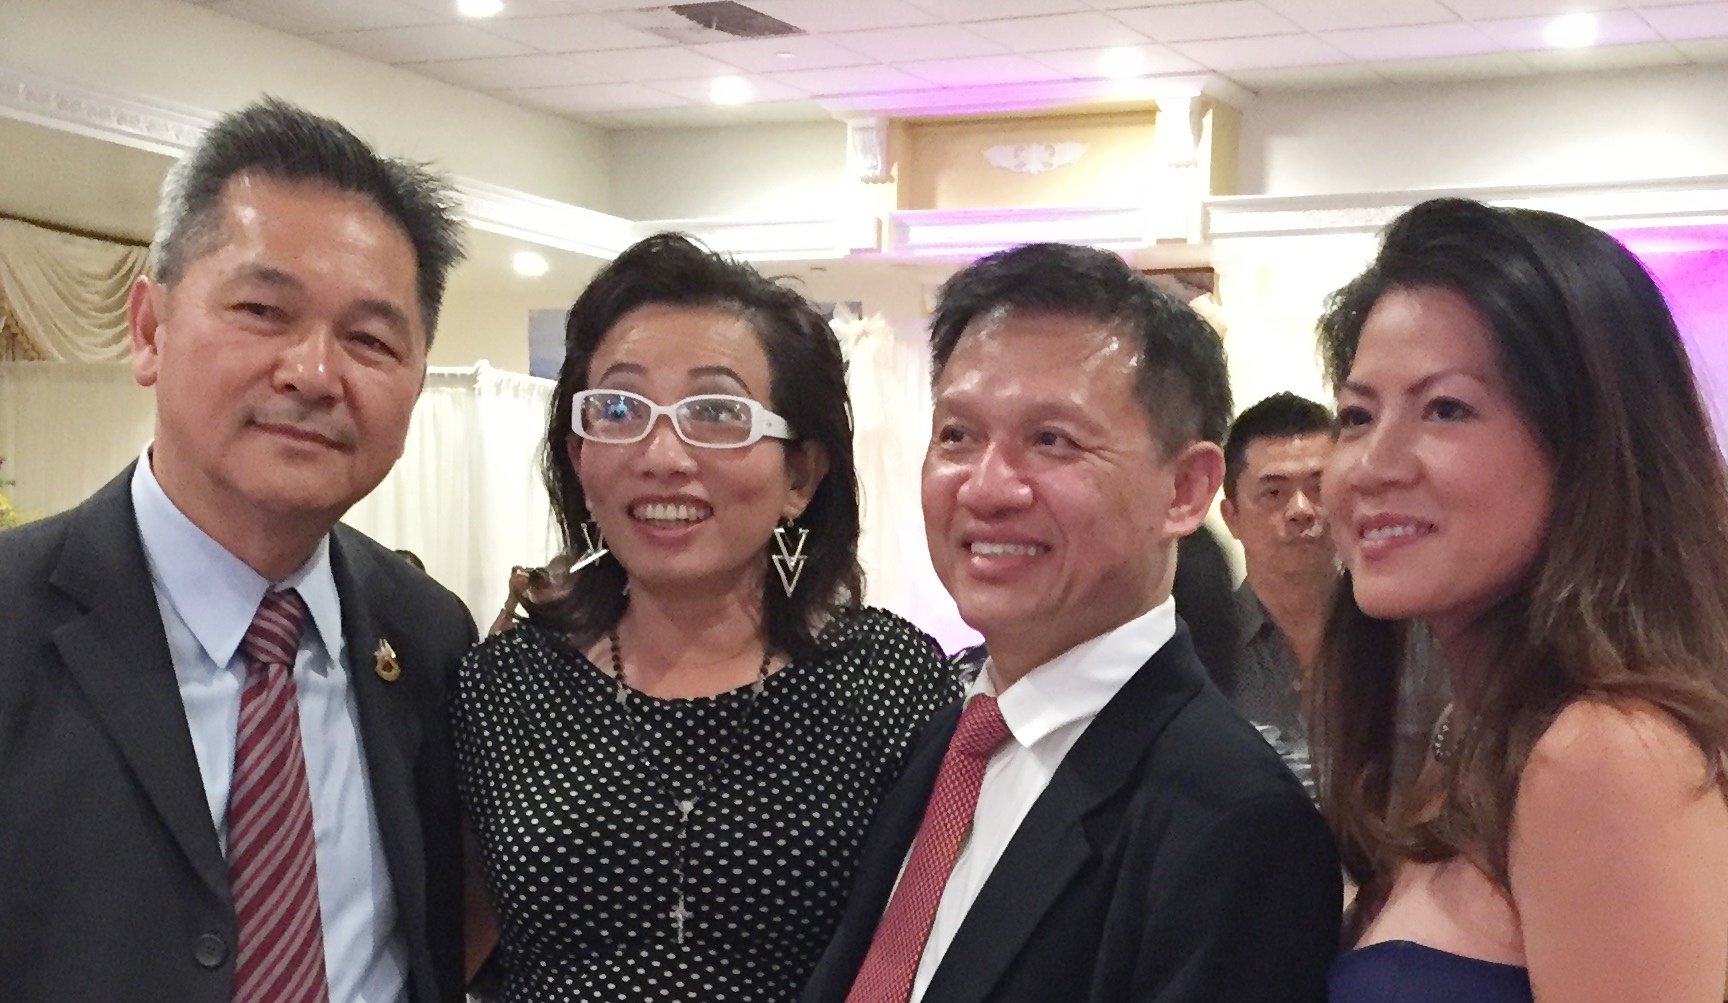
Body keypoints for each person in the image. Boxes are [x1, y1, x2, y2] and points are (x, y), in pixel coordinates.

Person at [0, 99, 473, 1003]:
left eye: (370, 339)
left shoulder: (427, 637)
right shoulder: (13, 619)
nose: (314, 373)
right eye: (263, 310)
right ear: (149, 329)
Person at [802, 242, 1340, 1003]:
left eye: (1051, 440)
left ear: (1186, 490)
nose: (986, 487)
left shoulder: (1234, 822)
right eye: (957, 435)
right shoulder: (951, 739)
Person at [453, 232, 959, 1002]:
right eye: (617, 408)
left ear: (800, 473)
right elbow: (443, 942)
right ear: (580, 460)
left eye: (716, 412)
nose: (662, 455)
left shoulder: (891, 683)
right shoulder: (503, 685)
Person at [1317, 198, 1728, 1002]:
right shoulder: (1472, 724)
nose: (1372, 464)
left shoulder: (1603, 751)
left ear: (1588, 444)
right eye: (1357, 415)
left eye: (1446, 408)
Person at [1219, 392, 1338, 786]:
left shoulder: (1411, 632)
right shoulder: (1204, 647)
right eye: (1274, 493)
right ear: (1232, 517)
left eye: (1319, 487)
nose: (1301, 509)